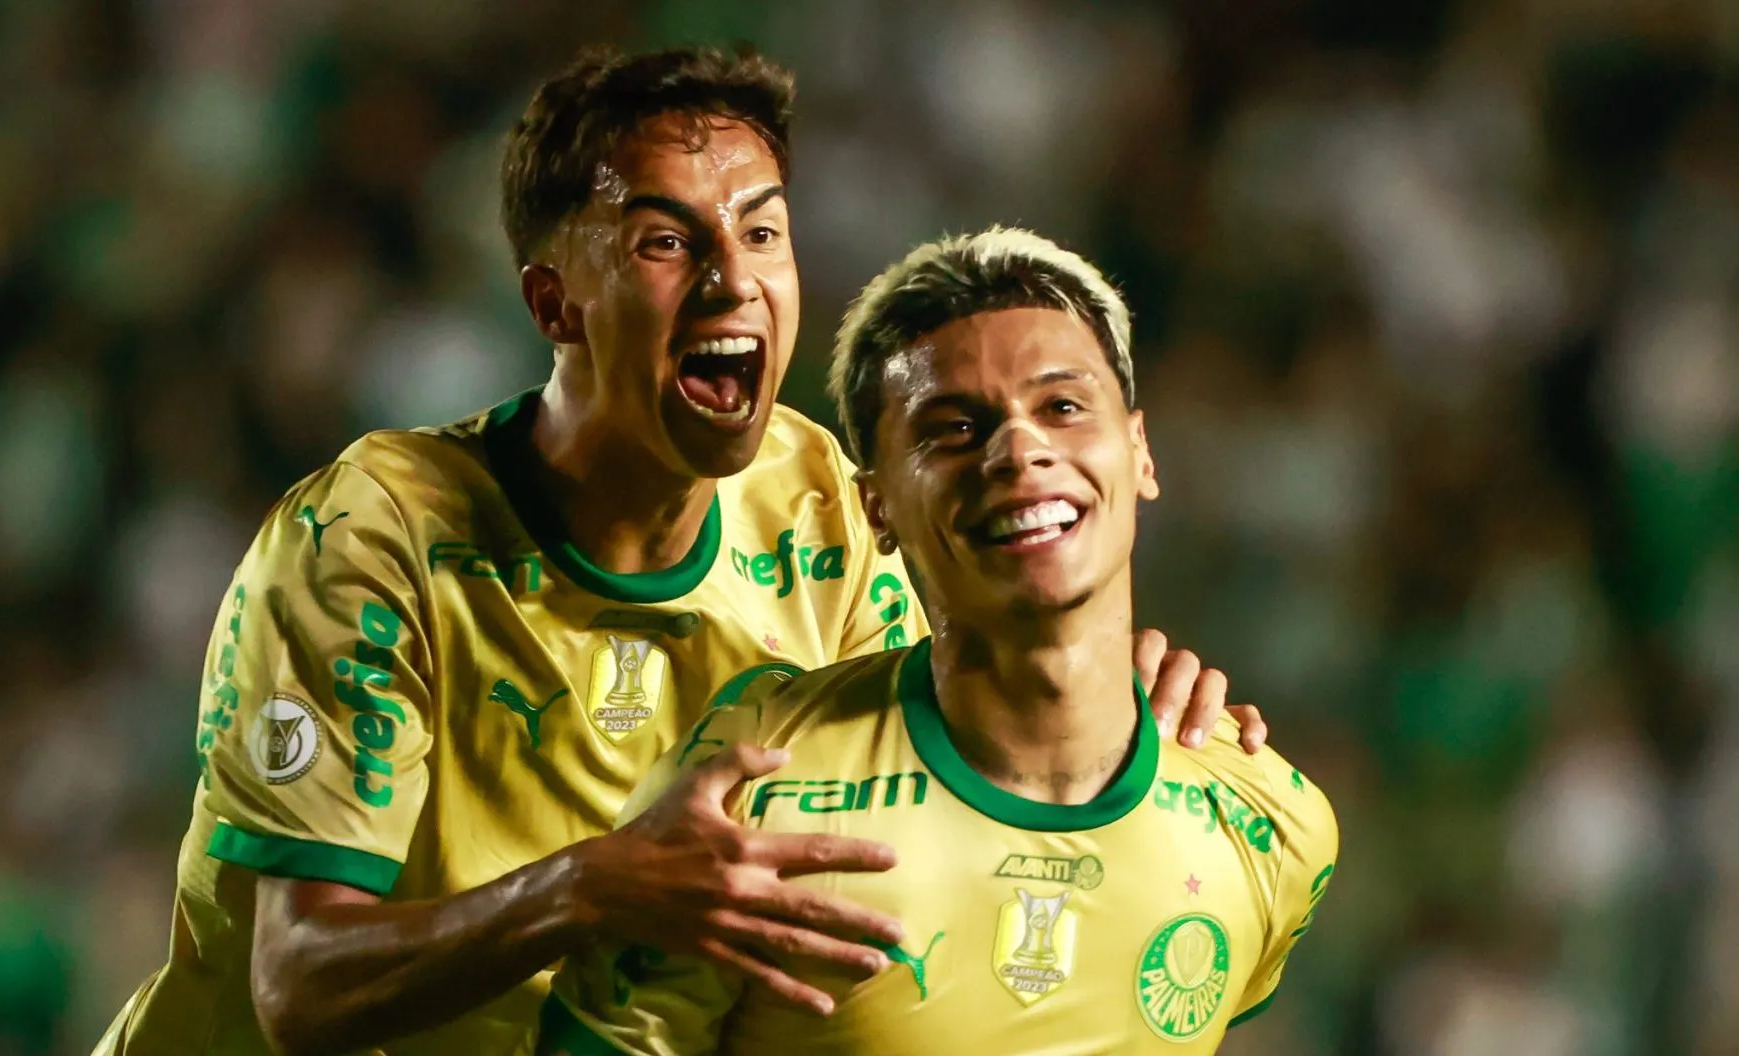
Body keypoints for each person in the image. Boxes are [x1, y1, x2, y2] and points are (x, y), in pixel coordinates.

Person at [95, 49, 1266, 1056]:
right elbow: (298, 985)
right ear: (555, 304)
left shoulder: (820, 507)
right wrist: (592, 889)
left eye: (761, 228)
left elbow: (944, 753)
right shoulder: (378, 535)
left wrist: (1104, 685)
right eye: (666, 240)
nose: (732, 279)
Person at [538, 227, 1337, 1055]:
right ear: (876, 507)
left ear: (1138, 450)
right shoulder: (746, 793)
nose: (1019, 449)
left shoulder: (1270, 821)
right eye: (953, 427)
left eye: (1062, 407)